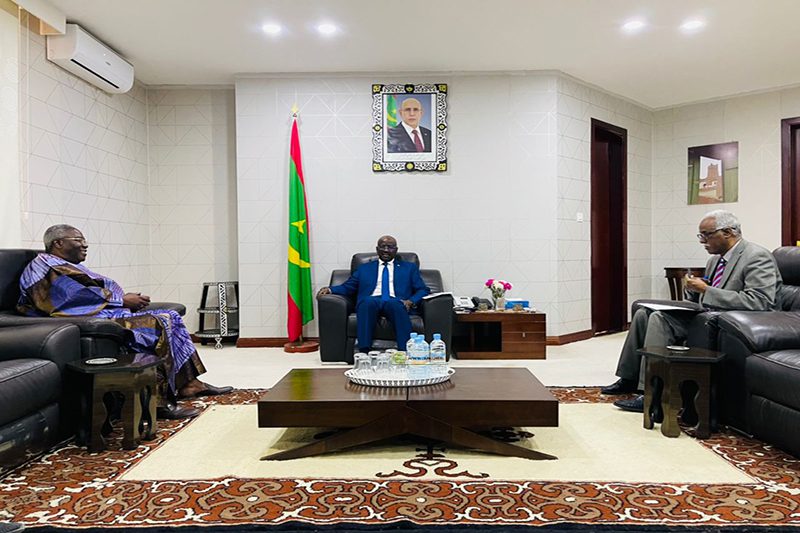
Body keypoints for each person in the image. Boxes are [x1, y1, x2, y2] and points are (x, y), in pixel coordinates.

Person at [17, 224, 233, 419]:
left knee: (171, 316)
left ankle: (190, 384)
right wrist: (121, 301)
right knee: (157, 323)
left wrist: (123, 302)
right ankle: (158, 402)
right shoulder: (45, 265)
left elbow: (85, 292)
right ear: (58, 243)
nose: (85, 245)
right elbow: (66, 298)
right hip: (81, 319)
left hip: (99, 312)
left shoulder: (61, 264)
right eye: (79, 240)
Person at [602, 210, 782, 413]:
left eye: (707, 235)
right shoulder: (715, 260)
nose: (702, 241)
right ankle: (628, 378)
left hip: (732, 319)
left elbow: (760, 301)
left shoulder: (757, 256)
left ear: (728, 232)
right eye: (700, 235)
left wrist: (706, 290)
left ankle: (652, 393)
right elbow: (706, 295)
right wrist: (693, 290)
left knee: (659, 319)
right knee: (644, 313)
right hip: (707, 315)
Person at [317, 235, 430, 352]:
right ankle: (364, 351)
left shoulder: (409, 268)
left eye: (390, 247)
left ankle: (405, 351)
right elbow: (348, 287)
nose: (386, 250)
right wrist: (330, 290)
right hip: (371, 300)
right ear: (377, 249)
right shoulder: (364, 268)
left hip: (396, 301)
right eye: (383, 247)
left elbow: (423, 289)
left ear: (396, 250)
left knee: (397, 305)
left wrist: (410, 301)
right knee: (367, 302)